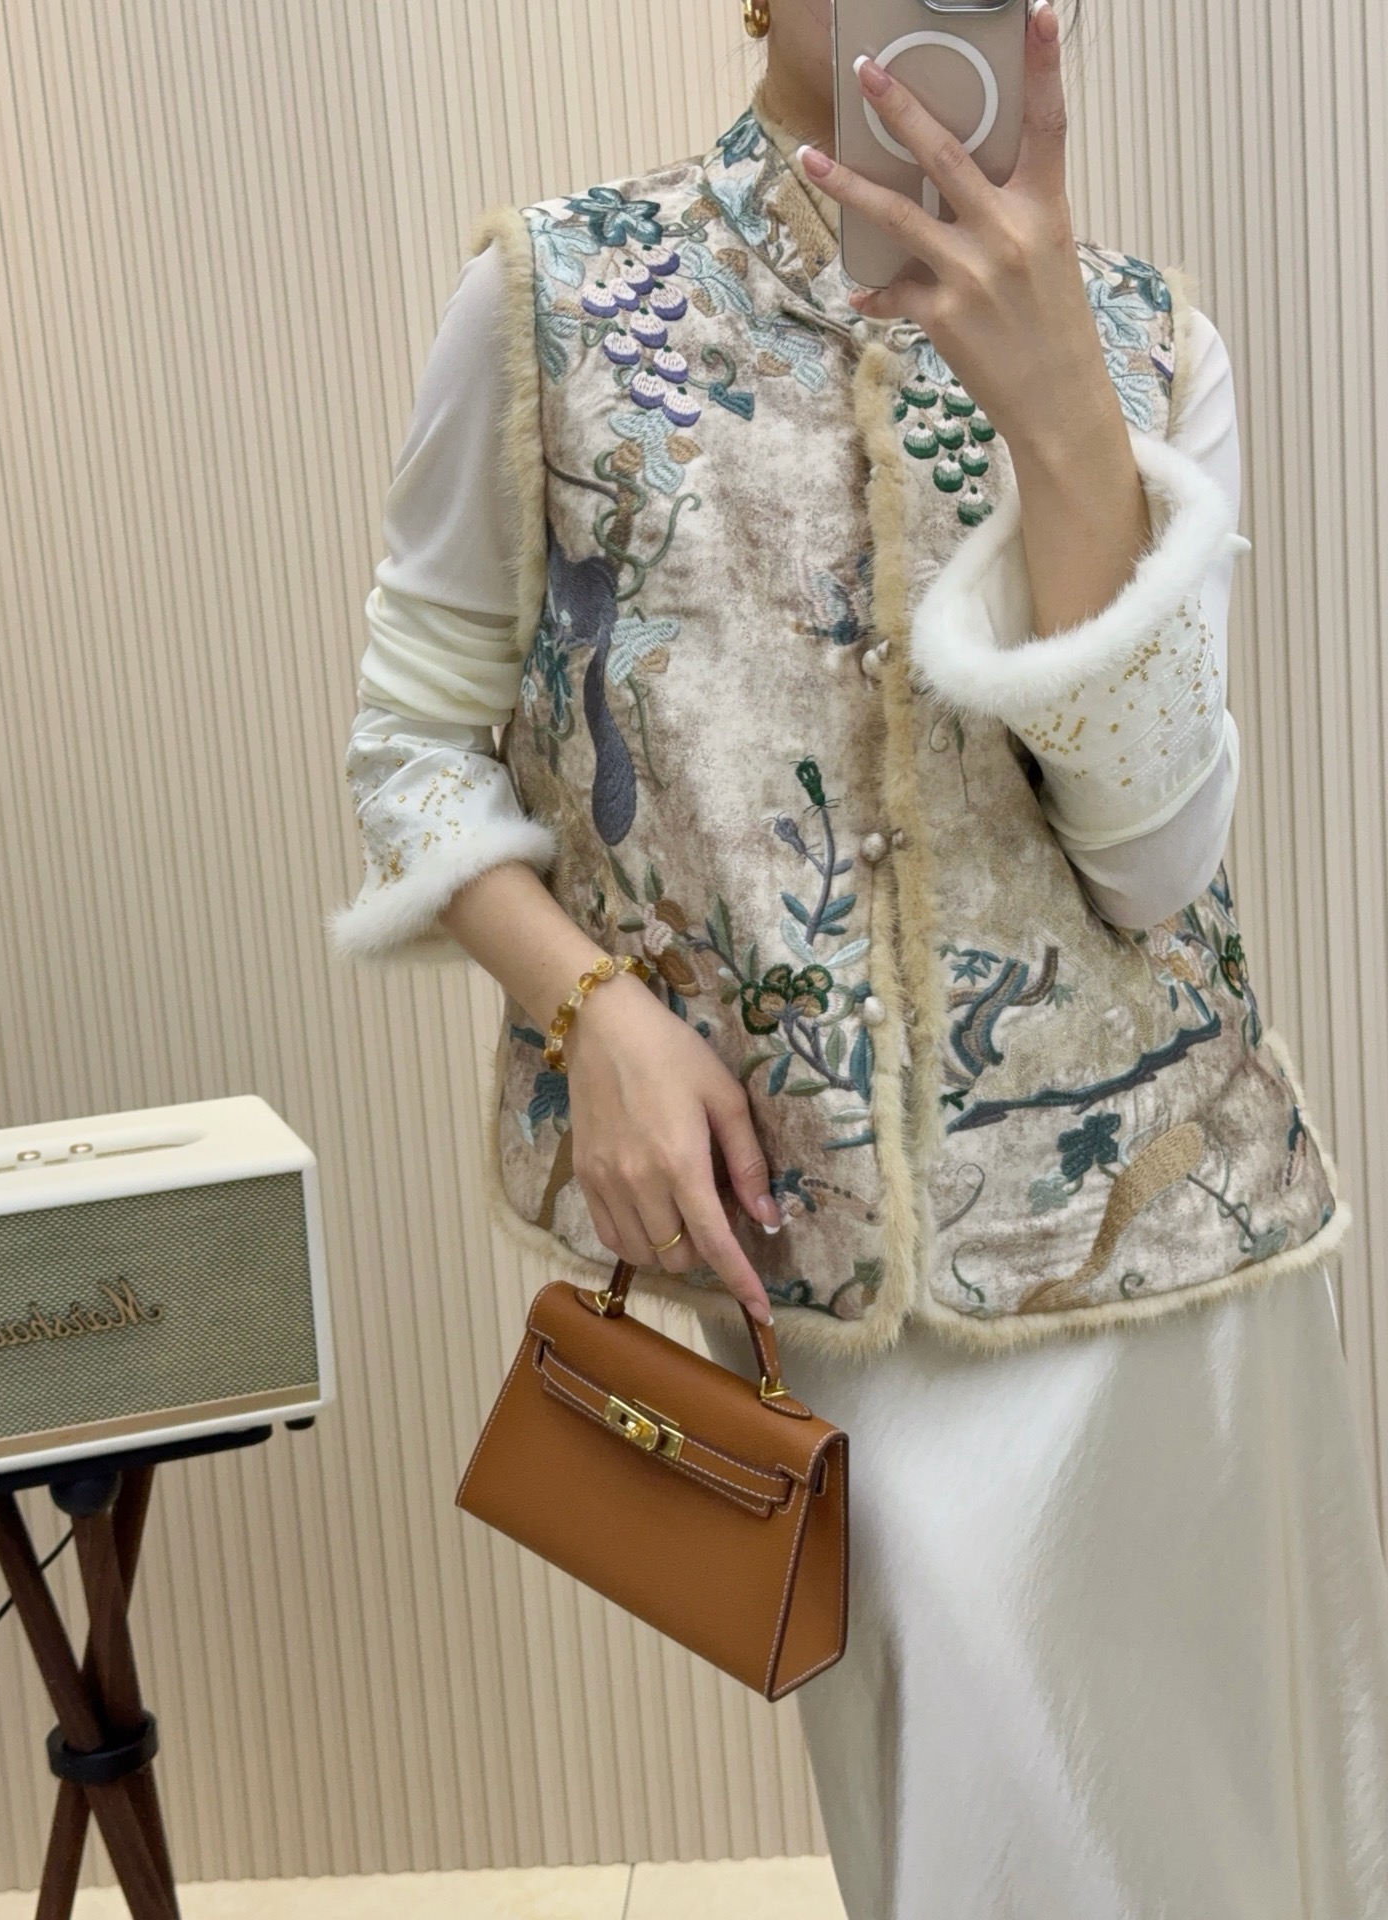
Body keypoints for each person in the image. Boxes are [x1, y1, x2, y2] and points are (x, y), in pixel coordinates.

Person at [327, 3, 1388, 1913]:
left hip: (1192, 1275)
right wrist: (592, 1010)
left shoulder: (1149, 337)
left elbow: (1154, 866)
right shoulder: (558, 299)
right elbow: (407, 747)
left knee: (1258, 1849)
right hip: (844, 1295)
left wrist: (1064, 410)